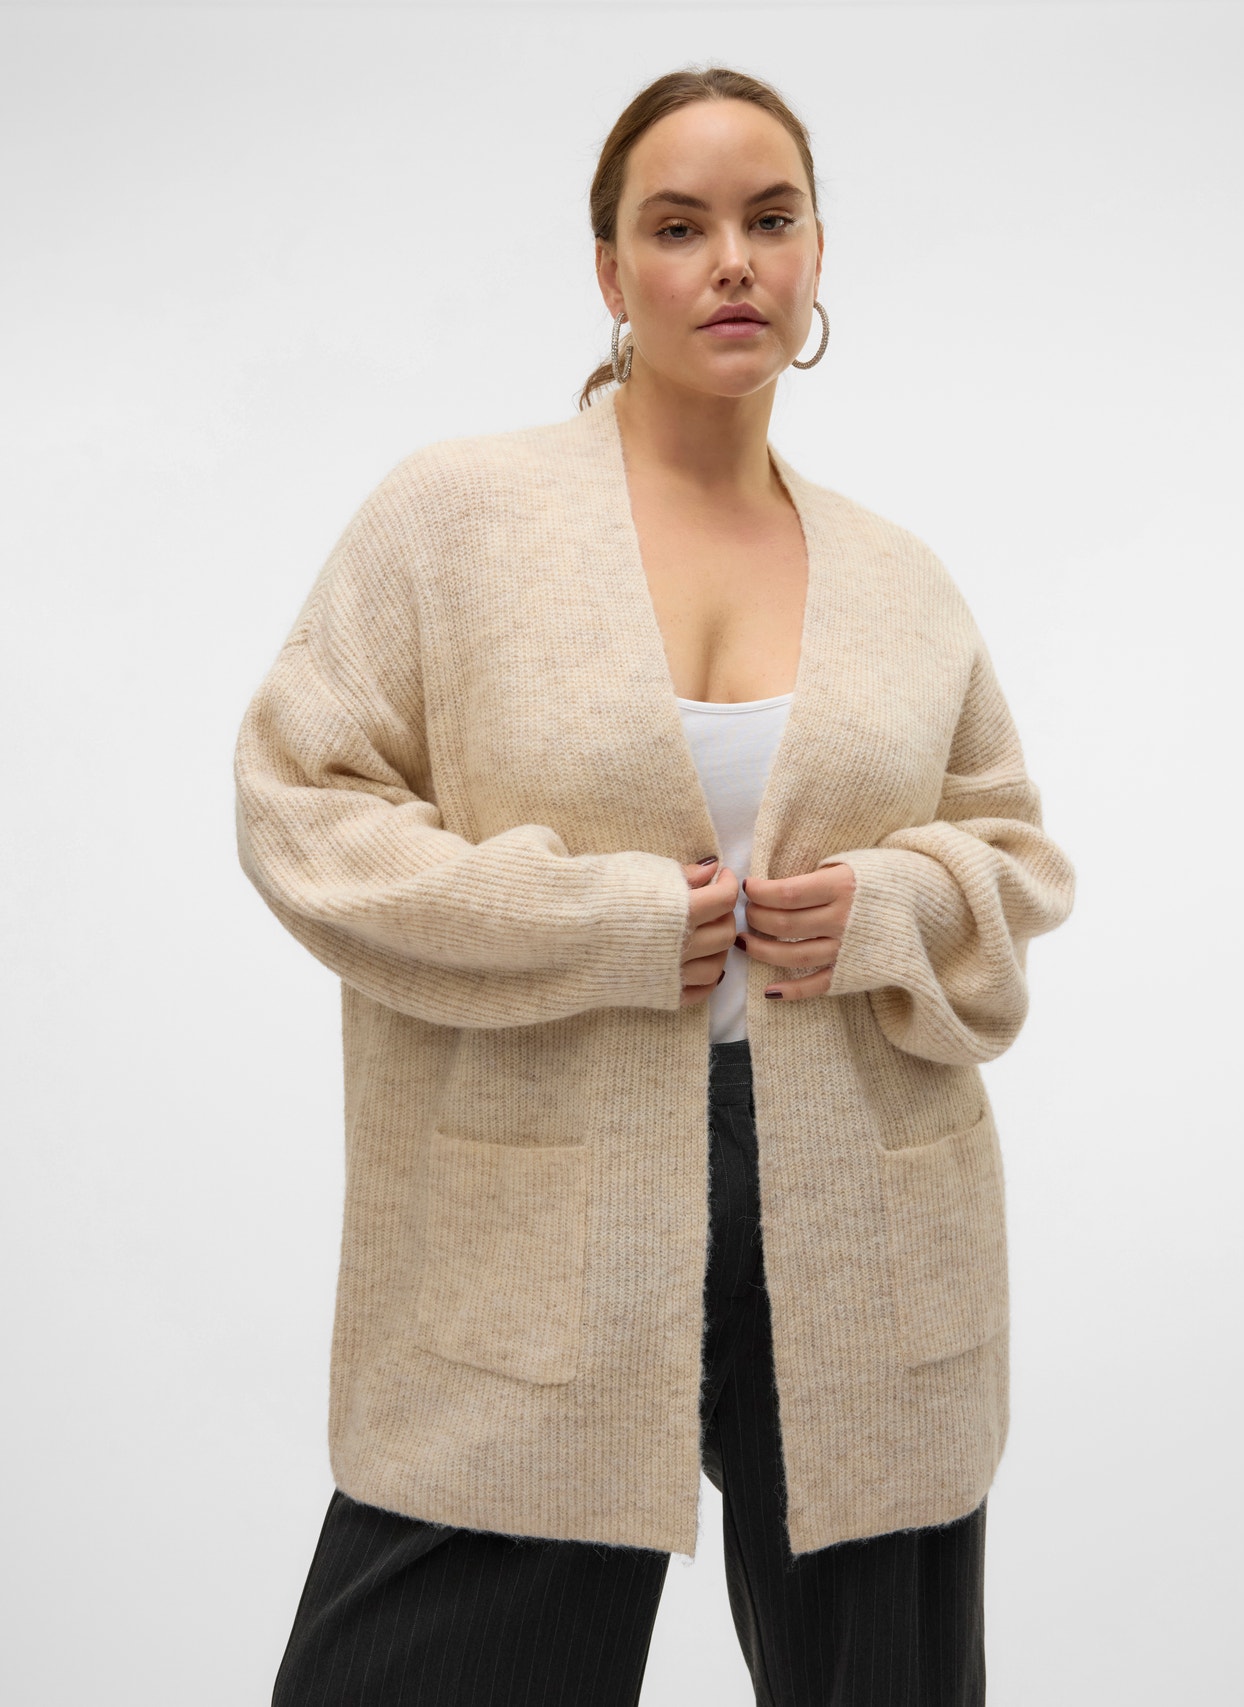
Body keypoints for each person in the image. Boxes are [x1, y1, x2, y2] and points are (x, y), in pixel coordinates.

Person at [234, 65, 1075, 1707]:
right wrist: (598, 927)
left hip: (867, 1206)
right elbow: (299, 808)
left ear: (818, 254)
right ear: (612, 272)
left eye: (772, 219)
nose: (732, 261)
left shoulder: (902, 579)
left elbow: (1013, 849)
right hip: (541, 1211)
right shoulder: (457, 518)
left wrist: (898, 904)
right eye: (679, 227)